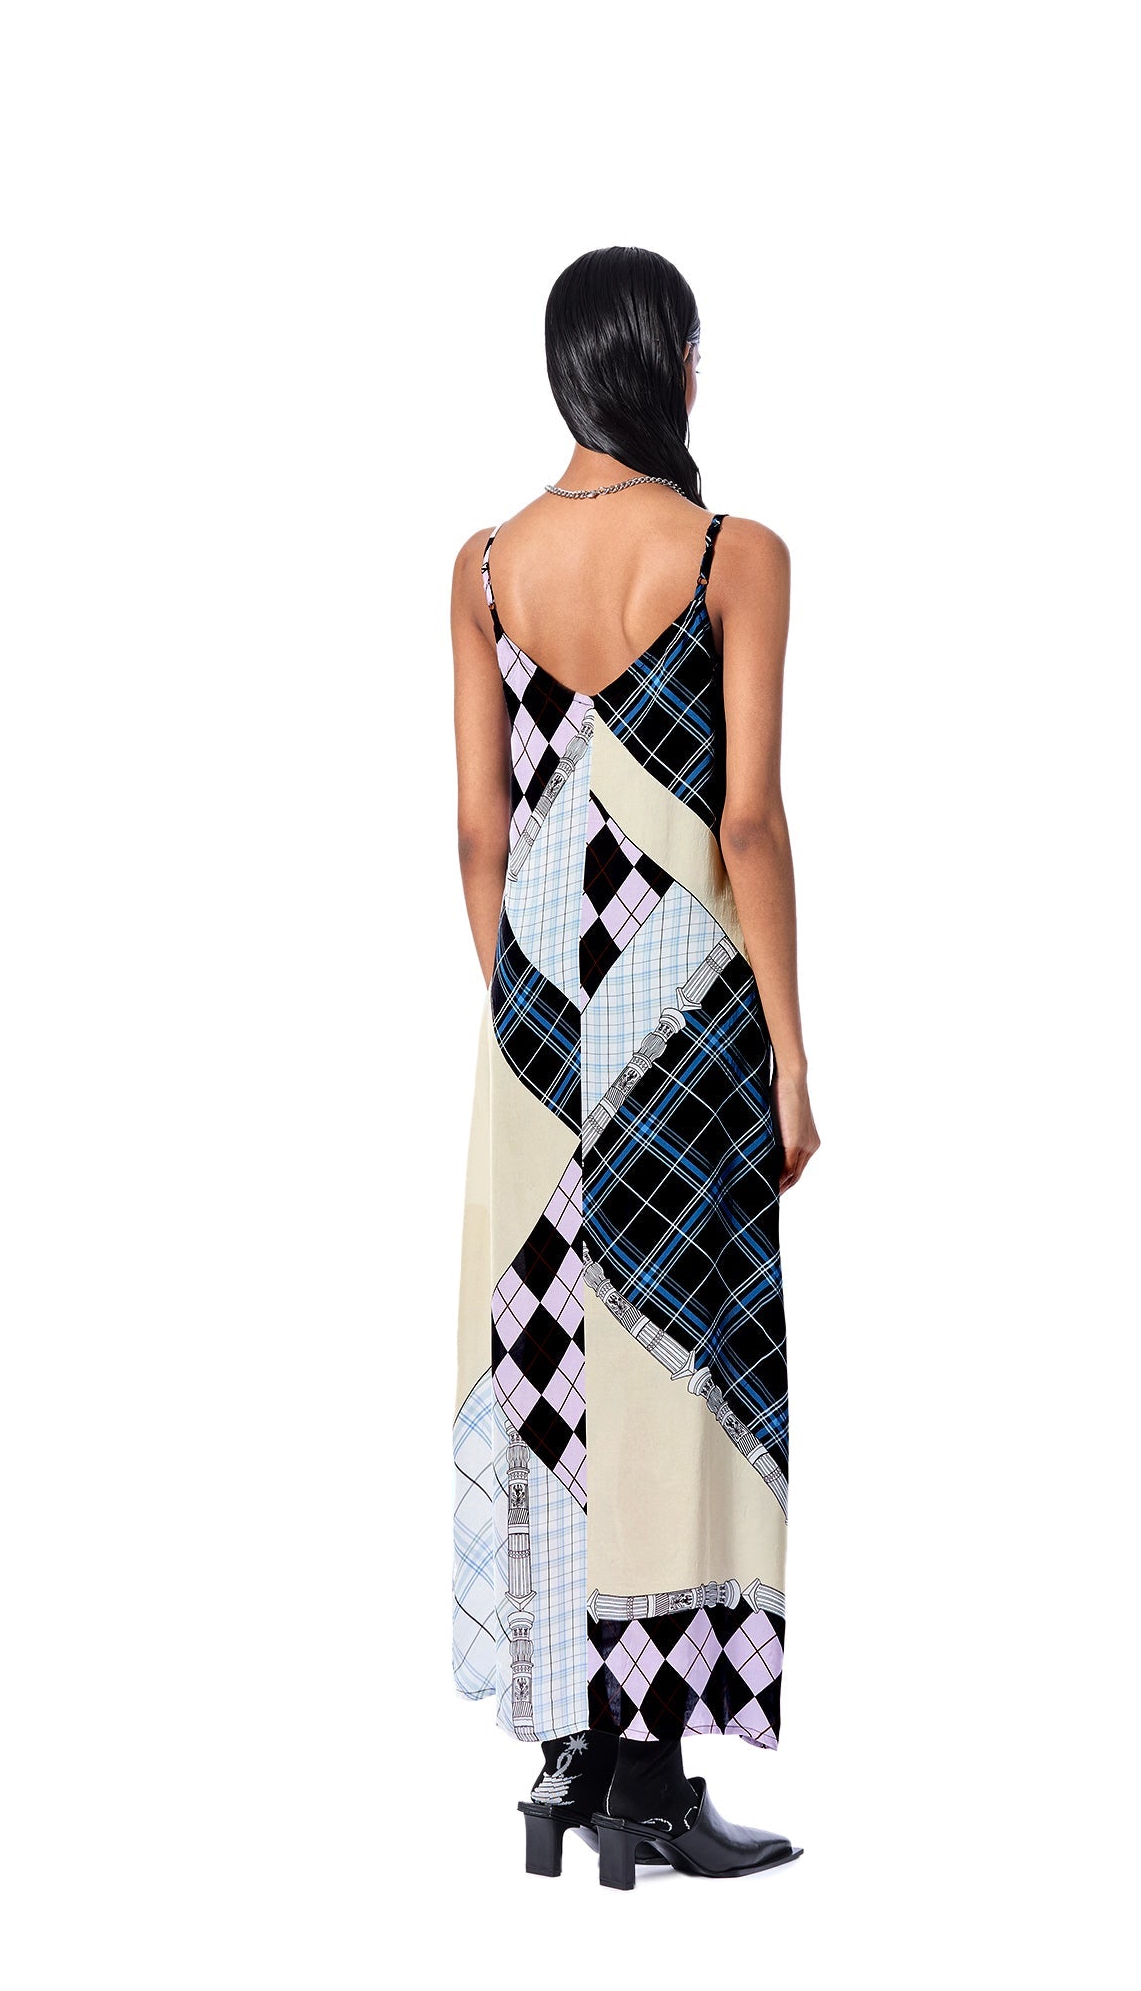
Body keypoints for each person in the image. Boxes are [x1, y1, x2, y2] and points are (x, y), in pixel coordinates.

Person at [448, 246, 817, 1887]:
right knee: (688, 1365)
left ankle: (569, 1759)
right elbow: (747, 821)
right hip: (694, 1020)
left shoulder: (483, 569)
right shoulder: (733, 556)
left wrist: (532, 1027)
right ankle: (654, 1781)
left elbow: (479, 832)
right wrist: (790, 1054)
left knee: (557, 1364)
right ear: (669, 364)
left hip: (534, 1036)